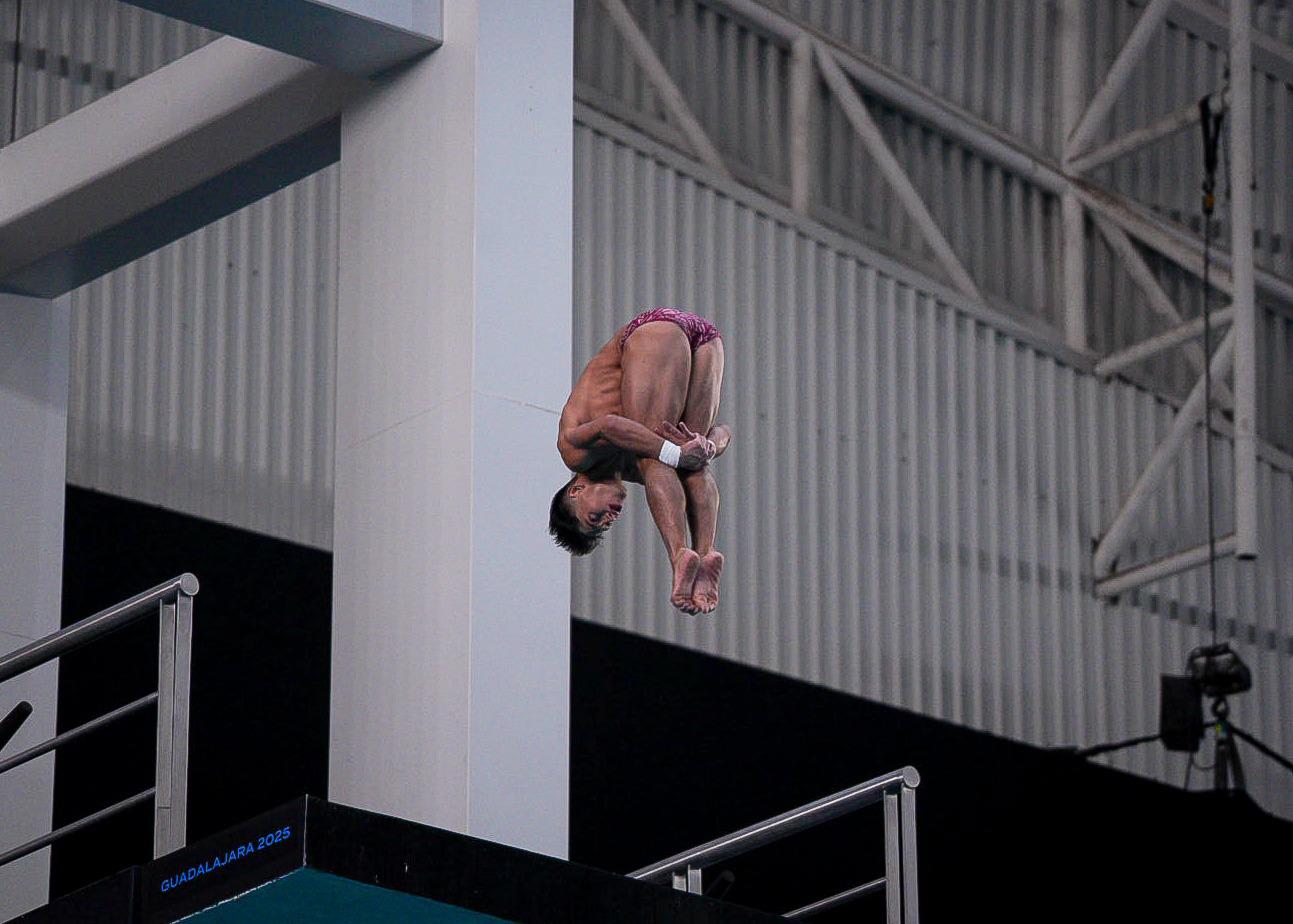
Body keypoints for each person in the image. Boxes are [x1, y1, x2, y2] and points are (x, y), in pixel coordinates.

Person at [550, 308, 732, 614]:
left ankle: (679, 555)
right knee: (694, 462)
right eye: (605, 526)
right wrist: (710, 446)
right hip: (708, 340)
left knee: (658, 457)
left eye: (595, 519)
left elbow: (610, 424)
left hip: (656, 332)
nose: (610, 519)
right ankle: (706, 552)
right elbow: (725, 433)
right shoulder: (631, 466)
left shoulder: (575, 453)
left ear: (576, 492)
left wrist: (675, 454)